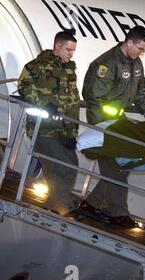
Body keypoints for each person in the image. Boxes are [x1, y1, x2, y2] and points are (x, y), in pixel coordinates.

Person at [79, 26, 145, 227]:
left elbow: (139, 92)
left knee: (122, 165)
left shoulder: (135, 63)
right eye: (140, 48)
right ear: (129, 42)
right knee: (115, 167)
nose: (141, 53)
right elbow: (94, 99)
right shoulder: (107, 64)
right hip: (103, 123)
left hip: (118, 121)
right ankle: (118, 212)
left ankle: (93, 203)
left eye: (143, 50)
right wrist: (102, 129)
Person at [18, 31, 80, 216]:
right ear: (57, 47)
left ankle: (55, 204)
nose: (71, 54)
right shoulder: (36, 66)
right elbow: (24, 86)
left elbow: (73, 101)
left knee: (72, 162)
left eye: (73, 50)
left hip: (62, 128)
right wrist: (45, 104)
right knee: (58, 164)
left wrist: (72, 132)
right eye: (68, 49)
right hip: (42, 127)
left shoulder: (69, 70)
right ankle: (63, 206)